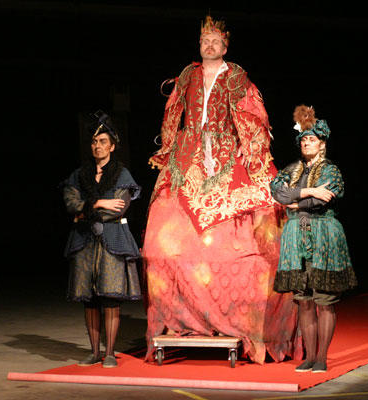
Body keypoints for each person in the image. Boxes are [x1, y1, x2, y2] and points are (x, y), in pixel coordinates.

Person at [143, 16, 299, 364]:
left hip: (227, 150)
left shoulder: (238, 77)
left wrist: (251, 148)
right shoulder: (188, 75)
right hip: (188, 154)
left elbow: (253, 116)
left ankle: (242, 322)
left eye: (215, 40)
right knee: (164, 241)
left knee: (244, 240)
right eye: (205, 39)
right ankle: (183, 319)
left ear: (225, 45)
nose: (209, 45)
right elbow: (173, 112)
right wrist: (168, 149)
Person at [270, 105, 357, 373]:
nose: (306, 143)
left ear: (322, 144)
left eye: (311, 139)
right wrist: (308, 192)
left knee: (324, 300)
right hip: (296, 238)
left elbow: (325, 199)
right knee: (304, 300)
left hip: (323, 236)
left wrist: (298, 202)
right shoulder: (291, 169)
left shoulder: (330, 170)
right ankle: (309, 357)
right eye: (303, 140)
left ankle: (321, 357)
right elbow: (278, 192)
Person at [62, 111, 142, 368]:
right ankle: (95, 351)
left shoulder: (121, 174)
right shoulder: (79, 175)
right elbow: (71, 203)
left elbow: (118, 208)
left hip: (112, 241)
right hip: (85, 243)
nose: (98, 146)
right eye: (95, 142)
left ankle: (109, 353)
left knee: (110, 298)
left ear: (112, 146)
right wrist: (98, 203)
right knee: (89, 299)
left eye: (103, 141)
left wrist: (86, 211)